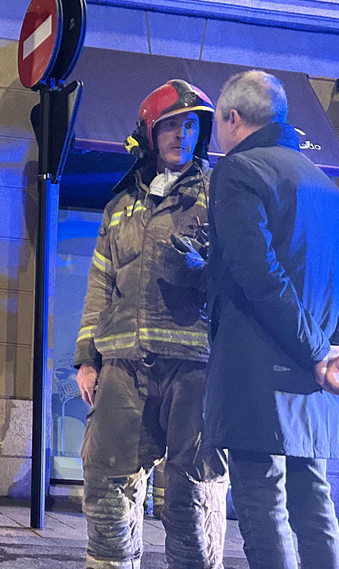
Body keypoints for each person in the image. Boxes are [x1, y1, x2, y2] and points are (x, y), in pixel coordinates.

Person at [204, 70, 339, 569]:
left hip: (257, 379)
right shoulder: (330, 190)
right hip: (315, 386)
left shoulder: (238, 172)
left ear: (233, 118)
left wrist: (320, 352)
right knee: (314, 509)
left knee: (264, 513)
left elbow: (261, 277)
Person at [75, 79, 229, 569]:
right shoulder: (120, 206)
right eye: (171, 126)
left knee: (191, 491)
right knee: (106, 480)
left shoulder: (219, 196)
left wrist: (207, 272)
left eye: (190, 126)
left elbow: (248, 273)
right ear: (149, 132)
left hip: (195, 366)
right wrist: (86, 360)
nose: (181, 135)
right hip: (123, 365)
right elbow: (99, 284)